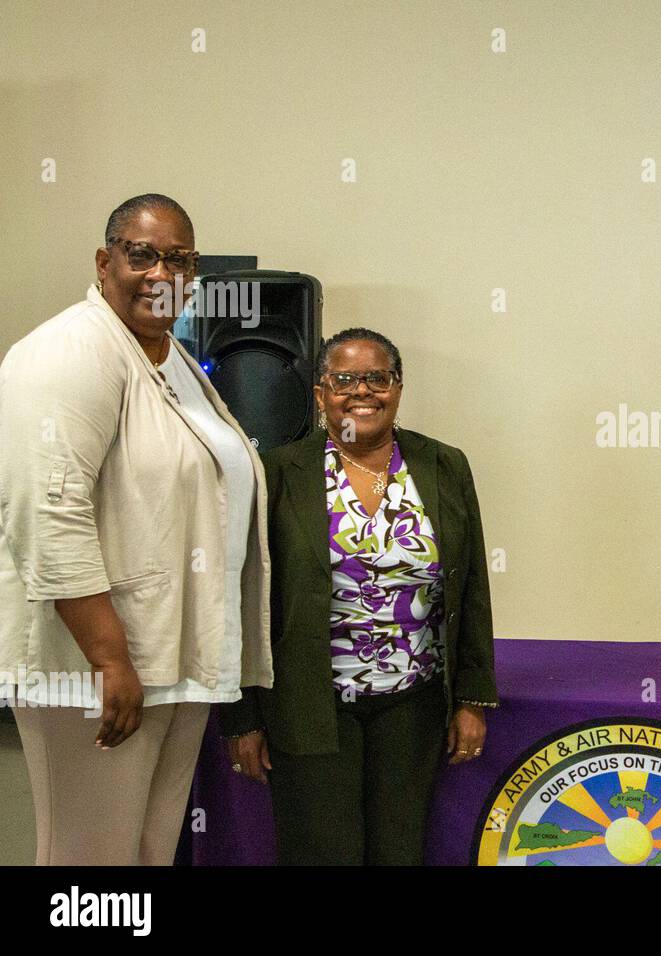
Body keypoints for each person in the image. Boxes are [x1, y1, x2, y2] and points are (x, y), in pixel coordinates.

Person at [0, 194, 272, 865]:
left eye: (178, 259)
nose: (160, 272)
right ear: (104, 260)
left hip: (167, 660)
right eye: (141, 253)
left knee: (144, 858)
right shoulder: (70, 350)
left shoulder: (168, 356)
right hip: (95, 667)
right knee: (88, 863)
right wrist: (108, 658)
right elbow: (46, 506)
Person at [219, 328, 498, 865]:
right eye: (344, 379)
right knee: (323, 852)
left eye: (377, 377)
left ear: (397, 387)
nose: (362, 391)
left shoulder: (443, 465)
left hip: (412, 706)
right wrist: (243, 717)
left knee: (398, 851)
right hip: (307, 706)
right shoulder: (278, 472)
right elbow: (244, 599)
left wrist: (472, 698)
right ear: (321, 393)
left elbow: (472, 588)